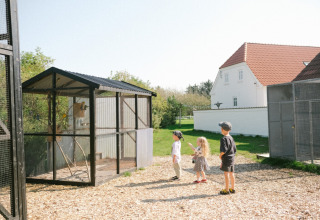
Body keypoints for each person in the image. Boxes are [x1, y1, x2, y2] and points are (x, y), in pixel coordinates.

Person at [218, 121, 237, 195]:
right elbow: (235, 149)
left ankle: (226, 189)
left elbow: (224, 150)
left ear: (222, 129)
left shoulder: (223, 139)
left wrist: (220, 155)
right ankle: (232, 188)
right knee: (232, 173)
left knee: (226, 174)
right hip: (232, 158)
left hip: (226, 159)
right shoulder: (231, 138)